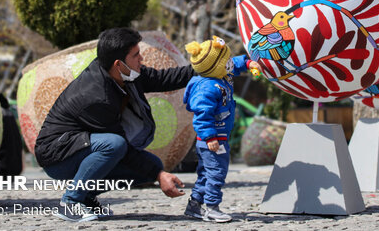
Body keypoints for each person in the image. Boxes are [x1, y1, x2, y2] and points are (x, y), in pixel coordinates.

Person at [34, 27, 195, 222]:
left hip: (82, 146)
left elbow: (163, 79)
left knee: (151, 166)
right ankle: (71, 202)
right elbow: (123, 150)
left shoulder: (124, 73)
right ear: (119, 64)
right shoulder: (95, 96)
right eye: (136, 55)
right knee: (115, 145)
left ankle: (86, 197)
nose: (141, 59)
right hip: (57, 156)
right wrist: (159, 175)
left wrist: (206, 68)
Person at [182, 36, 261, 223]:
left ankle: (194, 206)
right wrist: (210, 137)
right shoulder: (207, 88)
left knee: (205, 174)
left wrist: (249, 63)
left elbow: (235, 63)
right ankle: (212, 207)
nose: (230, 63)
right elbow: (202, 116)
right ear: (216, 66)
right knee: (216, 173)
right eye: (226, 61)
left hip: (216, 138)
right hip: (213, 140)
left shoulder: (220, 73)